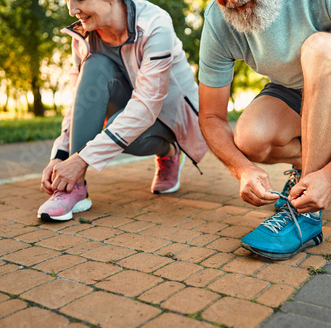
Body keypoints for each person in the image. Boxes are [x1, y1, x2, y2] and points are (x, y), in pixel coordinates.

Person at [198, 0, 331, 260]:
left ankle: (305, 216)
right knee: (250, 138)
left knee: (322, 47)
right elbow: (211, 116)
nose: (230, 1)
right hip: (294, 91)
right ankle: (308, 172)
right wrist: (243, 169)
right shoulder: (219, 19)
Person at [38, 0, 207, 221]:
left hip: (171, 116)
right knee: (96, 64)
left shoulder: (155, 24)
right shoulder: (84, 36)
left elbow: (147, 106)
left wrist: (81, 159)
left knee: (123, 131)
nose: (72, 10)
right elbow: (79, 102)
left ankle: (170, 153)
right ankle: (74, 188)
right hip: (127, 108)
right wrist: (59, 157)